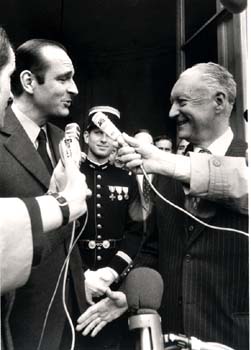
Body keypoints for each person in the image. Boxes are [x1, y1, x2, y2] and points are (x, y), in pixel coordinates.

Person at [117, 63, 248, 349]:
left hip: (235, 334)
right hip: (174, 336)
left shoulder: (244, 159)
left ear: (219, 101)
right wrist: (127, 295)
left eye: (182, 102)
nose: (172, 113)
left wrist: (169, 164)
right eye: (172, 103)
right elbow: (152, 247)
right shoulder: (164, 174)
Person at [0, 38, 89, 350]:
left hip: (71, 312)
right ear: (27, 81)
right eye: (63, 78)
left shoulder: (62, 139)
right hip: (17, 319)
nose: (74, 89)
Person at [77, 105, 143, 350]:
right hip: (75, 281)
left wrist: (112, 272)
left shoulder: (127, 179)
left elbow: (137, 232)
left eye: (108, 134)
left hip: (115, 286)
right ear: (86, 136)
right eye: (97, 132)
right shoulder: (71, 174)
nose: (104, 139)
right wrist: (81, 273)